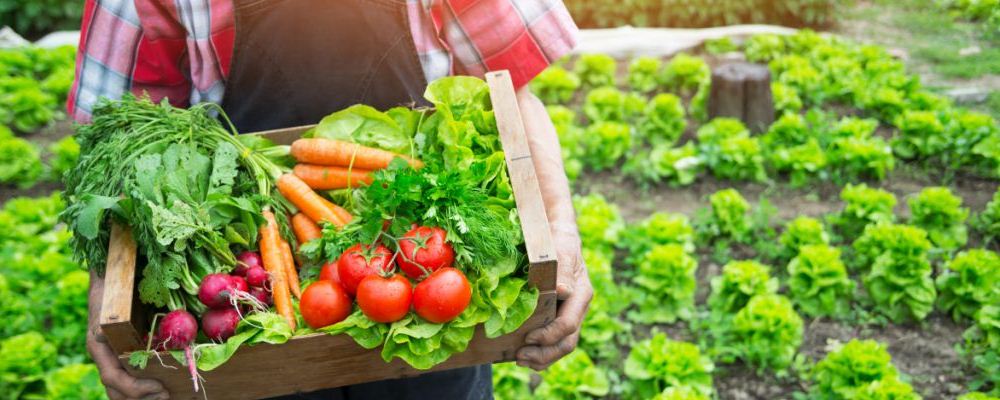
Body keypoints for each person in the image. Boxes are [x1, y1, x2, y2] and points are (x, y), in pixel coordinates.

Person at [72, 1, 592, 399]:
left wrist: (562, 237)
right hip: (247, 269)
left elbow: (511, 89)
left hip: (424, 290)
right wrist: (108, 297)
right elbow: (122, 143)